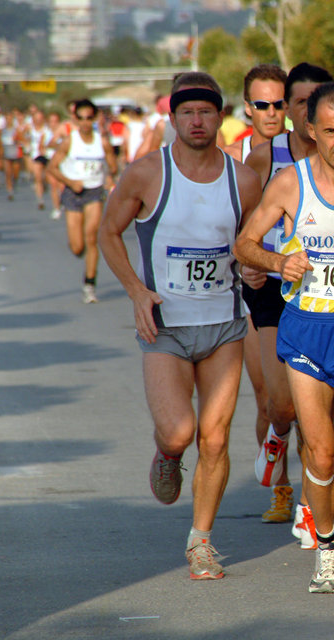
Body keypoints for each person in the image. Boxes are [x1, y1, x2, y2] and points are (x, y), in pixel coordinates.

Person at [234, 82, 334, 593]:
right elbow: (244, 243)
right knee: (322, 455)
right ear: (310, 131)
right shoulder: (289, 183)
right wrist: (279, 261)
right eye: (331, 131)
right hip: (307, 328)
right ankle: (327, 547)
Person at [99, 72, 261, 580]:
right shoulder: (147, 173)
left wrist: (254, 264)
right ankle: (167, 452)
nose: (197, 120)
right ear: (173, 119)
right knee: (181, 430)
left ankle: (201, 542)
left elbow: (250, 245)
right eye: (187, 112)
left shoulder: (244, 181)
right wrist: (135, 290)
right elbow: (108, 231)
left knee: (214, 439)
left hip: (224, 325)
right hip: (164, 328)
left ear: (220, 116)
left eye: (206, 111)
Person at [242, 63, 333, 543]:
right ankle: (276, 438)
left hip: (326, 293)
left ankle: (307, 505)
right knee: (283, 405)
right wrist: (251, 262)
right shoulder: (264, 158)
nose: (305, 108)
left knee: (315, 404)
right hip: (274, 289)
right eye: (298, 101)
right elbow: (242, 229)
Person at [222, 63, 290, 526]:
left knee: (307, 396)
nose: (271, 112)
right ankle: (282, 488)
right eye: (261, 105)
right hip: (252, 290)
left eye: (279, 104)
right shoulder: (234, 156)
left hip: (302, 285)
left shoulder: (310, 149)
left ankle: (310, 491)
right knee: (267, 395)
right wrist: (243, 264)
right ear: (247, 107)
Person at [47, 98, 118, 304]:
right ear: (75, 119)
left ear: (94, 118)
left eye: (89, 118)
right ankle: (84, 258)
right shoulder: (70, 141)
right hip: (73, 192)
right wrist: (70, 181)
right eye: (81, 118)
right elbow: (52, 168)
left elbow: (113, 166)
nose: (86, 122)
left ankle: (89, 284)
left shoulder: (102, 141)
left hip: (94, 192)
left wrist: (109, 175)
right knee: (77, 247)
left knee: (91, 237)